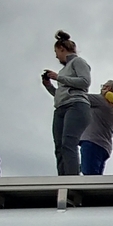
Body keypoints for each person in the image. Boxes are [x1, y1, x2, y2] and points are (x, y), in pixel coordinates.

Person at [42, 30, 91, 175]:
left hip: (76, 105)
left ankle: (72, 177)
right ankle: (62, 177)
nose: (56, 56)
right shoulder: (63, 70)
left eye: (56, 52)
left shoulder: (78, 62)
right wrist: (49, 86)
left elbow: (84, 82)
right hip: (61, 107)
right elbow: (61, 93)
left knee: (68, 142)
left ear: (62, 49)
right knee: (59, 146)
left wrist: (58, 78)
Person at [79, 82, 113, 175]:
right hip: (104, 147)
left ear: (108, 88)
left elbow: (76, 96)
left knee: (89, 178)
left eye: (103, 86)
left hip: (92, 142)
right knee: (96, 177)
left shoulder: (101, 100)